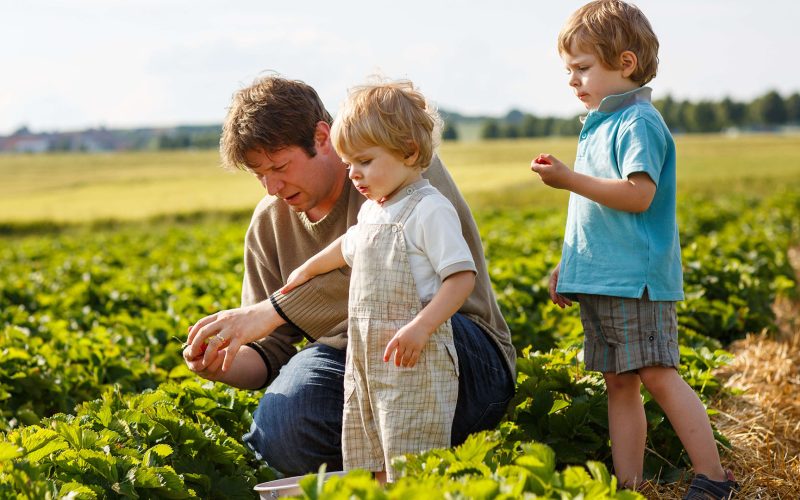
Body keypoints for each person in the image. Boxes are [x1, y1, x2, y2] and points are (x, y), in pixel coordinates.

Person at [182, 75, 516, 478]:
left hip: (451, 340)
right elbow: (271, 352)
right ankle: (377, 473)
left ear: (322, 138)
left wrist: (273, 310)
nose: (271, 187)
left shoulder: (403, 171)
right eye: (259, 174)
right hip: (353, 363)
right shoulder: (269, 224)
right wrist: (224, 364)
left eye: (280, 166)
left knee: (391, 347)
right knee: (282, 426)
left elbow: (389, 264)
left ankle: (425, 467)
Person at [528, 1, 737, 498]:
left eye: (583, 68)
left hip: (635, 280)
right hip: (604, 276)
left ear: (625, 63)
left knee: (658, 373)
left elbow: (637, 194)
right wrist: (570, 265)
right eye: (569, 70)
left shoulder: (637, 122)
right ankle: (630, 486)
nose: (573, 80)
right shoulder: (598, 124)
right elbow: (596, 217)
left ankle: (714, 477)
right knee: (619, 383)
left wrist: (568, 180)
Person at [279, 79, 475, 482]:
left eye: (364, 162)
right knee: (371, 449)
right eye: (349, 164)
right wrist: (308, 268)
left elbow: (460, 278)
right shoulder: (374, 211)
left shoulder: (428, 209)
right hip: (367, 358)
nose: (354, 174)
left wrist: (421, 328)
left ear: (409, 151)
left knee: (413, 450)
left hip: (414, 357)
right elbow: (348, 246)